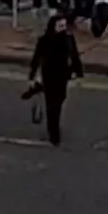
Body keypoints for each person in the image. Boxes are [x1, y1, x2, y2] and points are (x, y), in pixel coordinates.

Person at [26, 14, 84, 146]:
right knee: (52, 105)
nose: (63, 28)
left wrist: (79, 73)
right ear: (53, 26)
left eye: (64, 26)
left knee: (59, 101)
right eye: (60, 26)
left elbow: (74, 56)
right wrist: (32, 76)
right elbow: (36, 59)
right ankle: (54, 133)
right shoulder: (44, 40)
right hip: (49, 75)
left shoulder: (68, 39)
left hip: (63, 75)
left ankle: (53, 129)